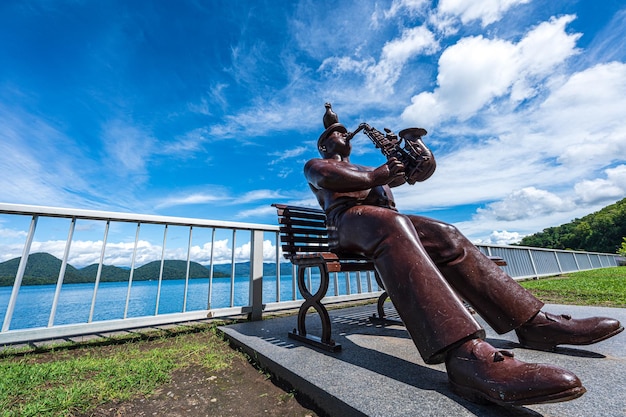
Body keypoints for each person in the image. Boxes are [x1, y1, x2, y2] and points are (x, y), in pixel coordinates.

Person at [304, 106, 623, 407]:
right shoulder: (318, 166)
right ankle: (465, 356)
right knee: (393, 223)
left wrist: (412, 163)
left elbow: (396, 182)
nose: (341, 134)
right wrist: (379, 175)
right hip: (346, 224)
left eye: (343, 131)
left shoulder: (366, 168)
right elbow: (333, 181)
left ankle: (533, 324)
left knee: (446, 232)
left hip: (383, 222)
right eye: (334, 133)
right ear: (324, 145)